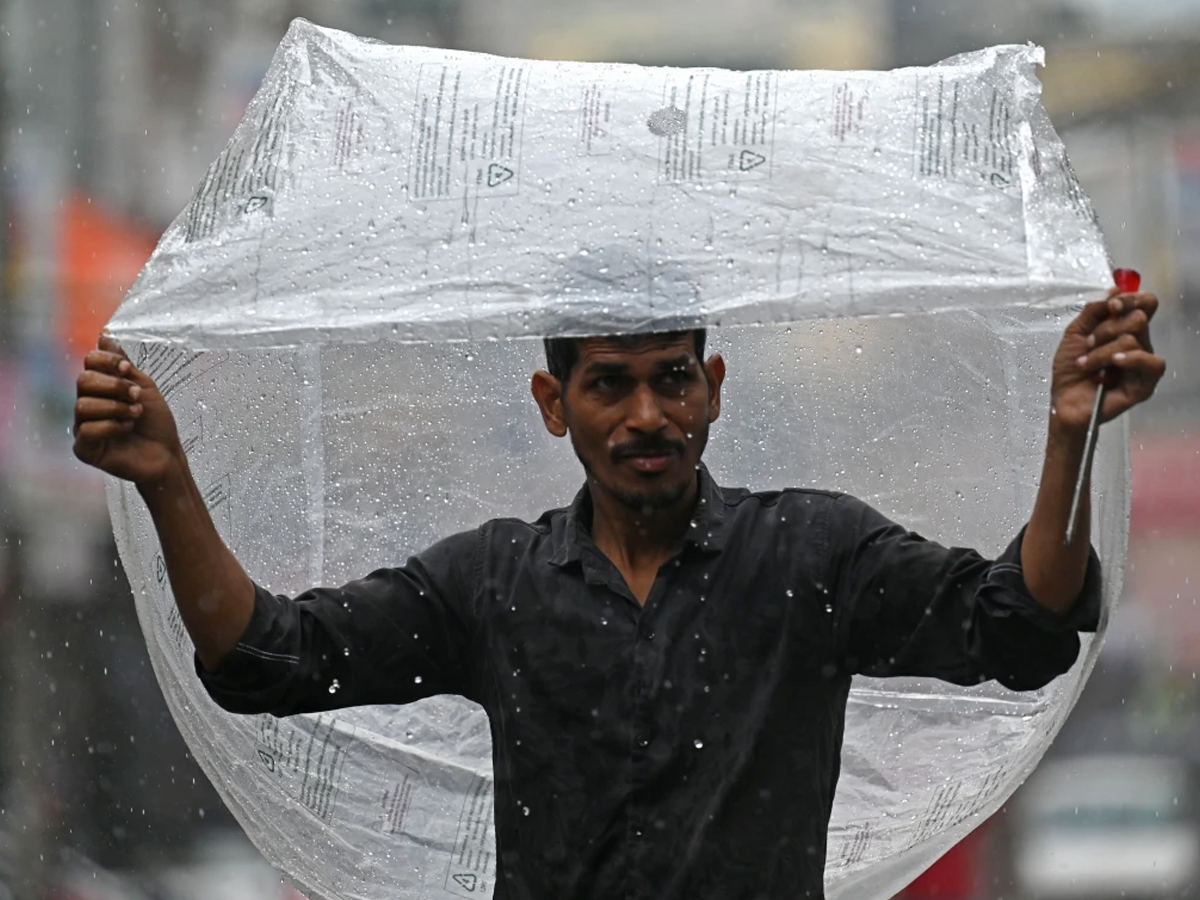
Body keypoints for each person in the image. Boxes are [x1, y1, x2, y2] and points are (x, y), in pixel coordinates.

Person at [73, 288, 1165, 900]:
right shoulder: (493, 586)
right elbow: (267, 659)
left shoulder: (811, 557)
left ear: (714, 389)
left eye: (672, 378)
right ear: (556, 404)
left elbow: (1018, 629)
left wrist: (1068, 430)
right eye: (610, 383)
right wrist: (169, 481)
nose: (647, 414)